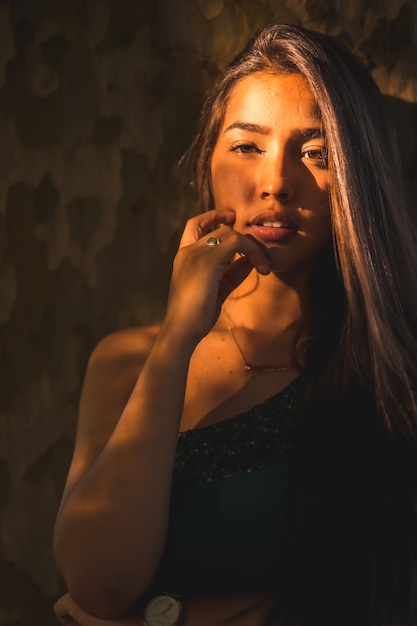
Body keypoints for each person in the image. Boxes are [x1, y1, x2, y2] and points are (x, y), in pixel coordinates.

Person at [53, 22, 417, 626]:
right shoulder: (126, 360)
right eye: (248, 146)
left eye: (316, 153)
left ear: (358, 178)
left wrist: (168, 615)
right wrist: (178, 337)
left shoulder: (392, 371)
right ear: (210, 159)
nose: (275, 182)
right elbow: (96, 589)